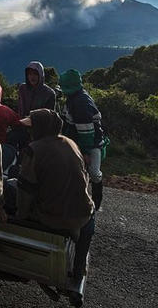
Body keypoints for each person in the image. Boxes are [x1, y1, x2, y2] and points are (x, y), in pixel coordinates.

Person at [16, 108, 95, 282]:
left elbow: (25, 191)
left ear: (40, 129)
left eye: (31, 127)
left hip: (53, 218)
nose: (28, 131)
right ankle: (79, 266)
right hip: (83, 215)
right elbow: (85, 177)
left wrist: (20, 219)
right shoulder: (70, 143)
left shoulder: (34, 150)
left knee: (10, 186)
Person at [59, 69, 108, 211]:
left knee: (93, 173)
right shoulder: (75, 97)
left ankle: (94, 203)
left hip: (89, 143)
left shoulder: (80, 102)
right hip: (78, 141)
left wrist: (85, 152)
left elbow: (86, 131)